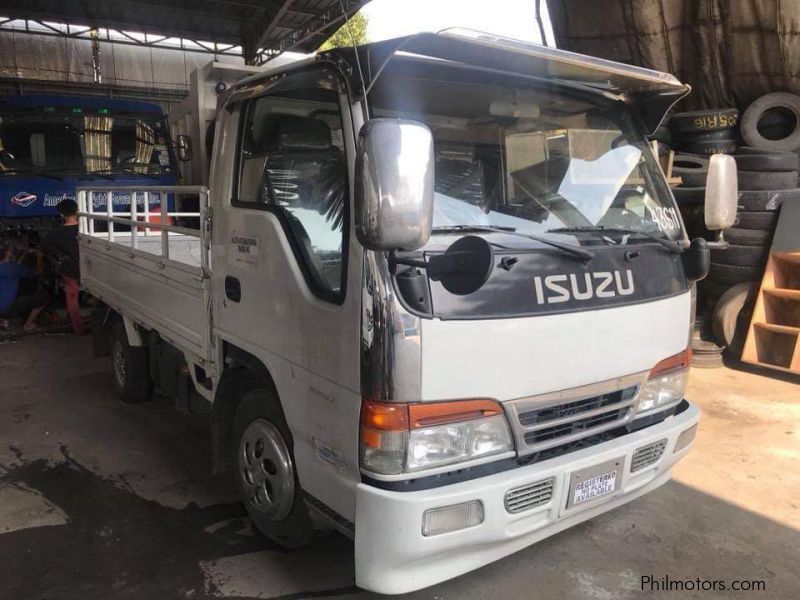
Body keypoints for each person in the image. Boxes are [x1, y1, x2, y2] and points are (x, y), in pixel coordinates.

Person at [43, 199, 85, 335]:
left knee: (72, 299)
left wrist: (61, 256)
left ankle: (78, 328)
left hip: (69, 269)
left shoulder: (55, 233)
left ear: (61, 214)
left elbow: (46, 247)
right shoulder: (85, 229)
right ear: (77, 211)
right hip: (89, 266)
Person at [0, 242, 45, 332]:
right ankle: (28, 324)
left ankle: (2, 320)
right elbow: (38, 272)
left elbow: (16, 265)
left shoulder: (10, 267)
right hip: (5, 307)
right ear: (8, 253)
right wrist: (39, 256)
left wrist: (23, 256)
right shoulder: (12, 268)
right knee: (42, 298)